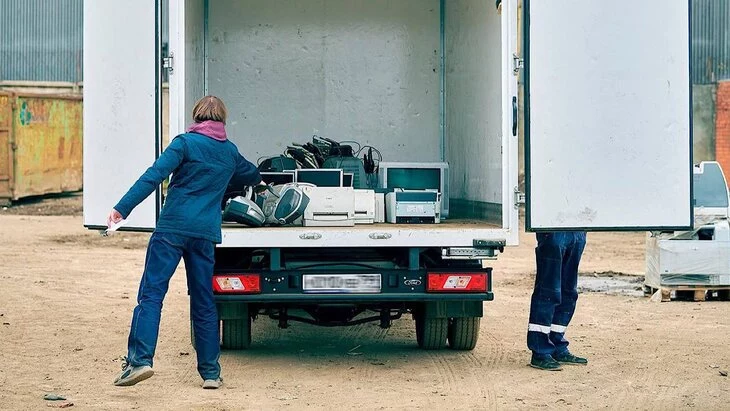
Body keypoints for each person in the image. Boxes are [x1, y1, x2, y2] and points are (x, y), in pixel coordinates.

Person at [108, 96, 262, 388]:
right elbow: (252, 174)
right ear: (222, 121)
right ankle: (211, 373)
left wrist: (122, 208)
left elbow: (154, 176)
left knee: (152, 294)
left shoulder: (184, 143)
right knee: (204, 302)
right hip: (204, 236)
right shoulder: (229, 152)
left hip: (172, 230)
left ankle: (140, 361)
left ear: (198, 117)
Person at [527, 232, 588, 371]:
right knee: (548, 290)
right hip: (553, 230)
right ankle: (540, 351)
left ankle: (556, 344)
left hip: (577, 231)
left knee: (568, 292)